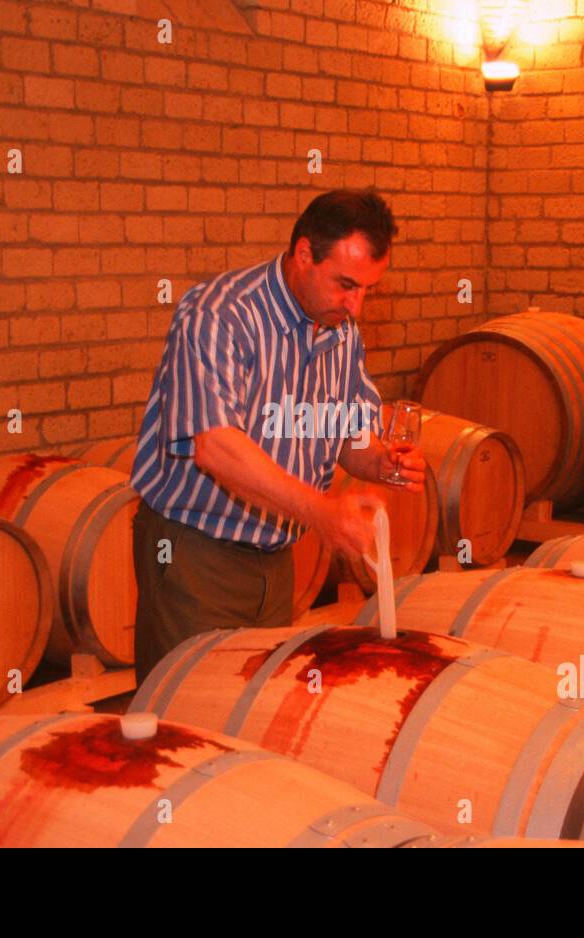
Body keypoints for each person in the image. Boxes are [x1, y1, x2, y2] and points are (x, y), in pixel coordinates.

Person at [128, 188, 427, 682]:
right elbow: (215, 447)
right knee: (184, 712)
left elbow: (347, 430)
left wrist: (381, 461)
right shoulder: (220, 314)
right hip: (195, 555)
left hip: (276, 559)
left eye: (368, 289)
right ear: (304, 254)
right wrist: (321, 511)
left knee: (250, 712)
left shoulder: (340, 330)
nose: (356, 306)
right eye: (346, 284)